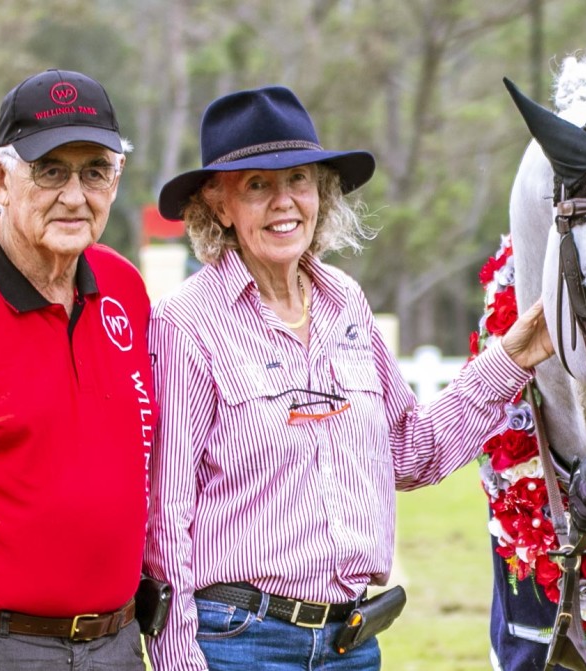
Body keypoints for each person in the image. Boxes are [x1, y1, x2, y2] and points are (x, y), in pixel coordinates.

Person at [142, 85, 554, 671]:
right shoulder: (186, 323)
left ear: (321, 192)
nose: (284, 202)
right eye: (257, 185)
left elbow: (411, 452)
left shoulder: (346, 304)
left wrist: (510, 357)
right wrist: (178, 660)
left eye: (299, 180)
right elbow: (166, 515)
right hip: (239, 643)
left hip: (351, 644)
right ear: (217, 204)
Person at [0, 69, 152, 668]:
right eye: (50, 170)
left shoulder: (125, 288)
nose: (75, 195)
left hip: (119, 643)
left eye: (95, 170)